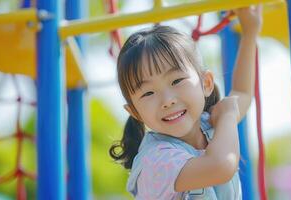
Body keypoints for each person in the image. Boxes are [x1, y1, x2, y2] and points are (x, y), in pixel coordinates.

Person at [109, 6, 262, 200]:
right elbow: (220, 166)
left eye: (176, 81)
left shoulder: (211, 123)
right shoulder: (156, 160)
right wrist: (228, 114)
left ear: (206, 83)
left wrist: (249, 33)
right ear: (135, 112)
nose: (167, 101)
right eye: (148, 93)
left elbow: (242, 93)